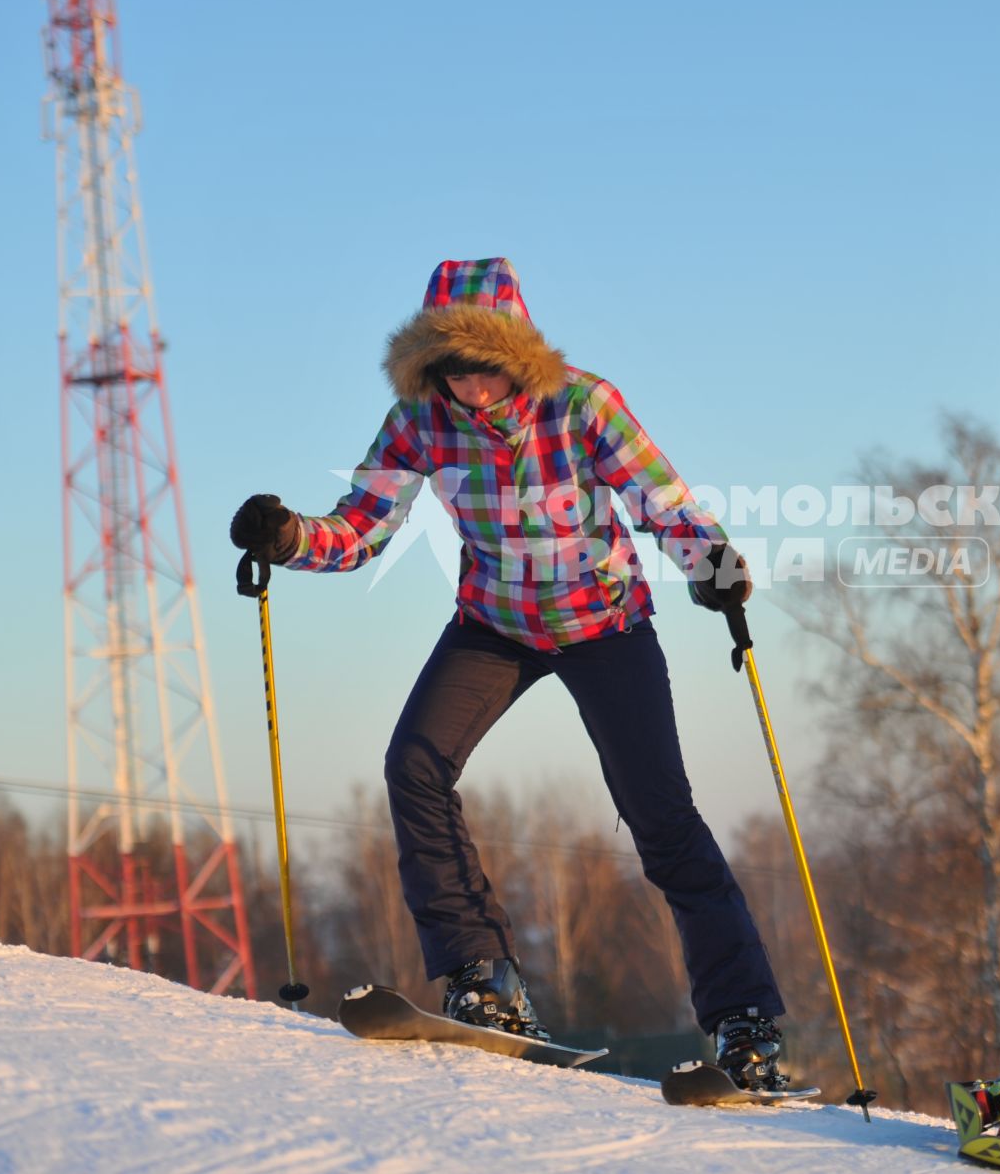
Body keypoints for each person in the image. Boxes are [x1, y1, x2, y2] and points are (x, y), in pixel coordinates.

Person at [230, 257, 789, 1088]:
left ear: (517, 355)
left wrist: (709, 563)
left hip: (605, 624)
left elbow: (660, 500)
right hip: (494, 621)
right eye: (453, 367)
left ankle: (744, 1024)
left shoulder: (582, 402)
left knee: (661, 817)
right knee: (413, 763)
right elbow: (361, 527)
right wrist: (288, 539)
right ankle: (482, 980)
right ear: (430, 365)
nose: (472, 386)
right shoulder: (418, 419)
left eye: (486, 365)